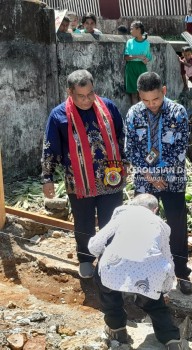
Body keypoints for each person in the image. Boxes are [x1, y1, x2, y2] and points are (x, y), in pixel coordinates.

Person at [41, 70, 126, 279]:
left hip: (111, 178)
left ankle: (109, 259)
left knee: (111, 221)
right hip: (79, 181)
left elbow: (122, 135)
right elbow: (50, 146)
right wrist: (47, 177)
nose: (87, 99)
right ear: (70, 92)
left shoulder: (108, 107)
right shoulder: (59, 115)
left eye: (90, 94)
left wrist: (126, 161)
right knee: (84, 221)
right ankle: (86, 259)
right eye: (81, 96)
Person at [88, 194, 187, 350]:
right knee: (155, 306)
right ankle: (172, 341)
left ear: (132, 204)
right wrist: (165, 290)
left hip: (113, 270)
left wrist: (104, 255)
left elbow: (94, 246)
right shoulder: (161, 225)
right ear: (155, 209)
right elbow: (168, 259)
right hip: (149, 274)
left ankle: (116, 329)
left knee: (108, 292)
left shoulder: (122, 215)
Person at [125, 72, 192, 295]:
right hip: (145, 182)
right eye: (146, 100)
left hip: (172, 180)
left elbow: (181, 147)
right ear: (139, 96)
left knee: (177, 226)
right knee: (144, 227)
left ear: (163, 91)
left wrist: (162, 173)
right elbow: (130, 150)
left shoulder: (178, 112)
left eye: (155, 99)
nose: (151, 105)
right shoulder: (134, 114)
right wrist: (151, 175)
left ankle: (181, 273)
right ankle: (143, 273)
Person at [124, 20, 152, 105]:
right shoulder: (129, 42)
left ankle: (143, 112)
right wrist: (137, 56)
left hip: (142, 67)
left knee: (142, 91)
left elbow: (149, 56)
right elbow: (126, 57)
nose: (130, 31)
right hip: (131, 67)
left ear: (139, 30)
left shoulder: (146, 43)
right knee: (133, 93)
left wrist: (146, 59)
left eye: (132, 29)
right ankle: (135, 114)